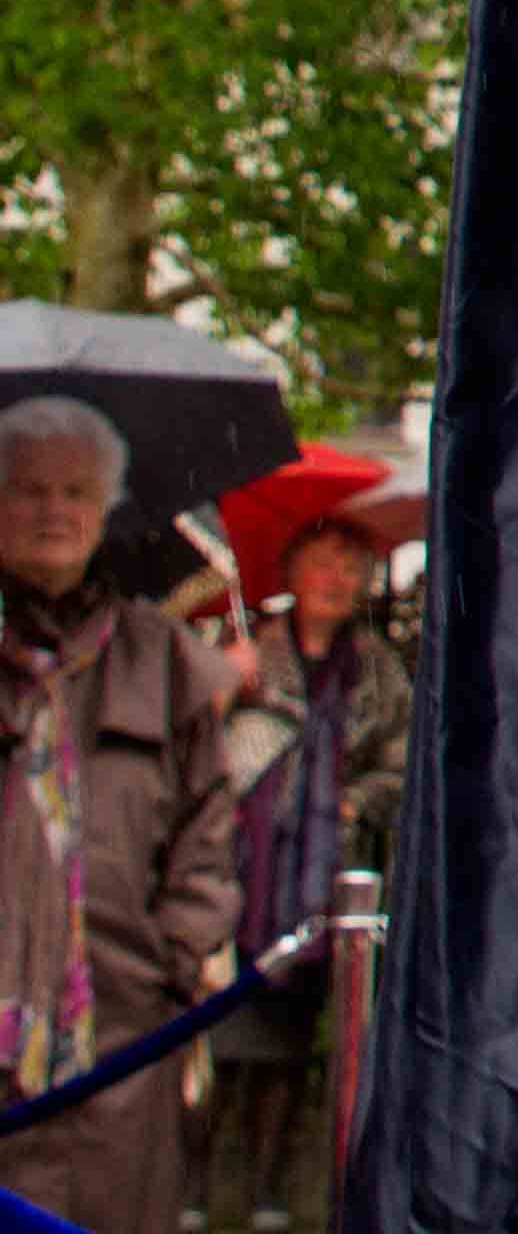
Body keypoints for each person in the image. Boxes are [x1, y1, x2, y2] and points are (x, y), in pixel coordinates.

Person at [0, 399, 239, 1234]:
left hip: (122, 1045)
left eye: (75, 490)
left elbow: (209, 832)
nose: (53, 511)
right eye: (28, 491)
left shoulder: (162, 657)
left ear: (106, 508)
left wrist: (173, 961)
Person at [197, 516, 405, 1234]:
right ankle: (211, 1185)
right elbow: (199, 752)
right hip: (244, 879)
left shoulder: (377, 666)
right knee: (225, 1037)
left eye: (351, 568)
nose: (337, 581)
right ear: (291, 573)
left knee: (295, 1047)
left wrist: (356, 801)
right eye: (323, 564)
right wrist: (226, 685)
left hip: (325, 888)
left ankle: (276, 1188)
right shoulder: (248, 650)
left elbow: (400, 764)